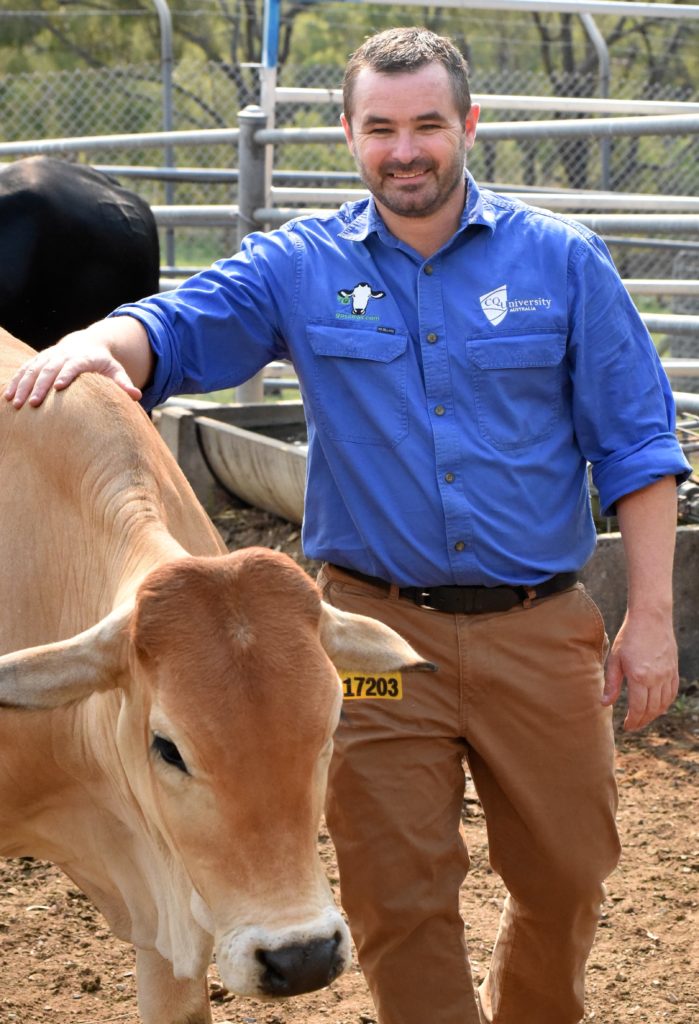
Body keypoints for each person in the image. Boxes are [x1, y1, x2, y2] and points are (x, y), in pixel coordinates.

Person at [4, 27, 690, 1024]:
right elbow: (185, 322)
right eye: (380, 129)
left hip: (538, 629)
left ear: (469, 125)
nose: (403, 150)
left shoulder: (563, 263)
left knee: (569, 875)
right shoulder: (302, 265)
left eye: (425, 126)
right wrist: (101, 344)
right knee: (395, 895)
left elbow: (638, 445)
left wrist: (655, 616)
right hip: (370, 642)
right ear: (349, 134)